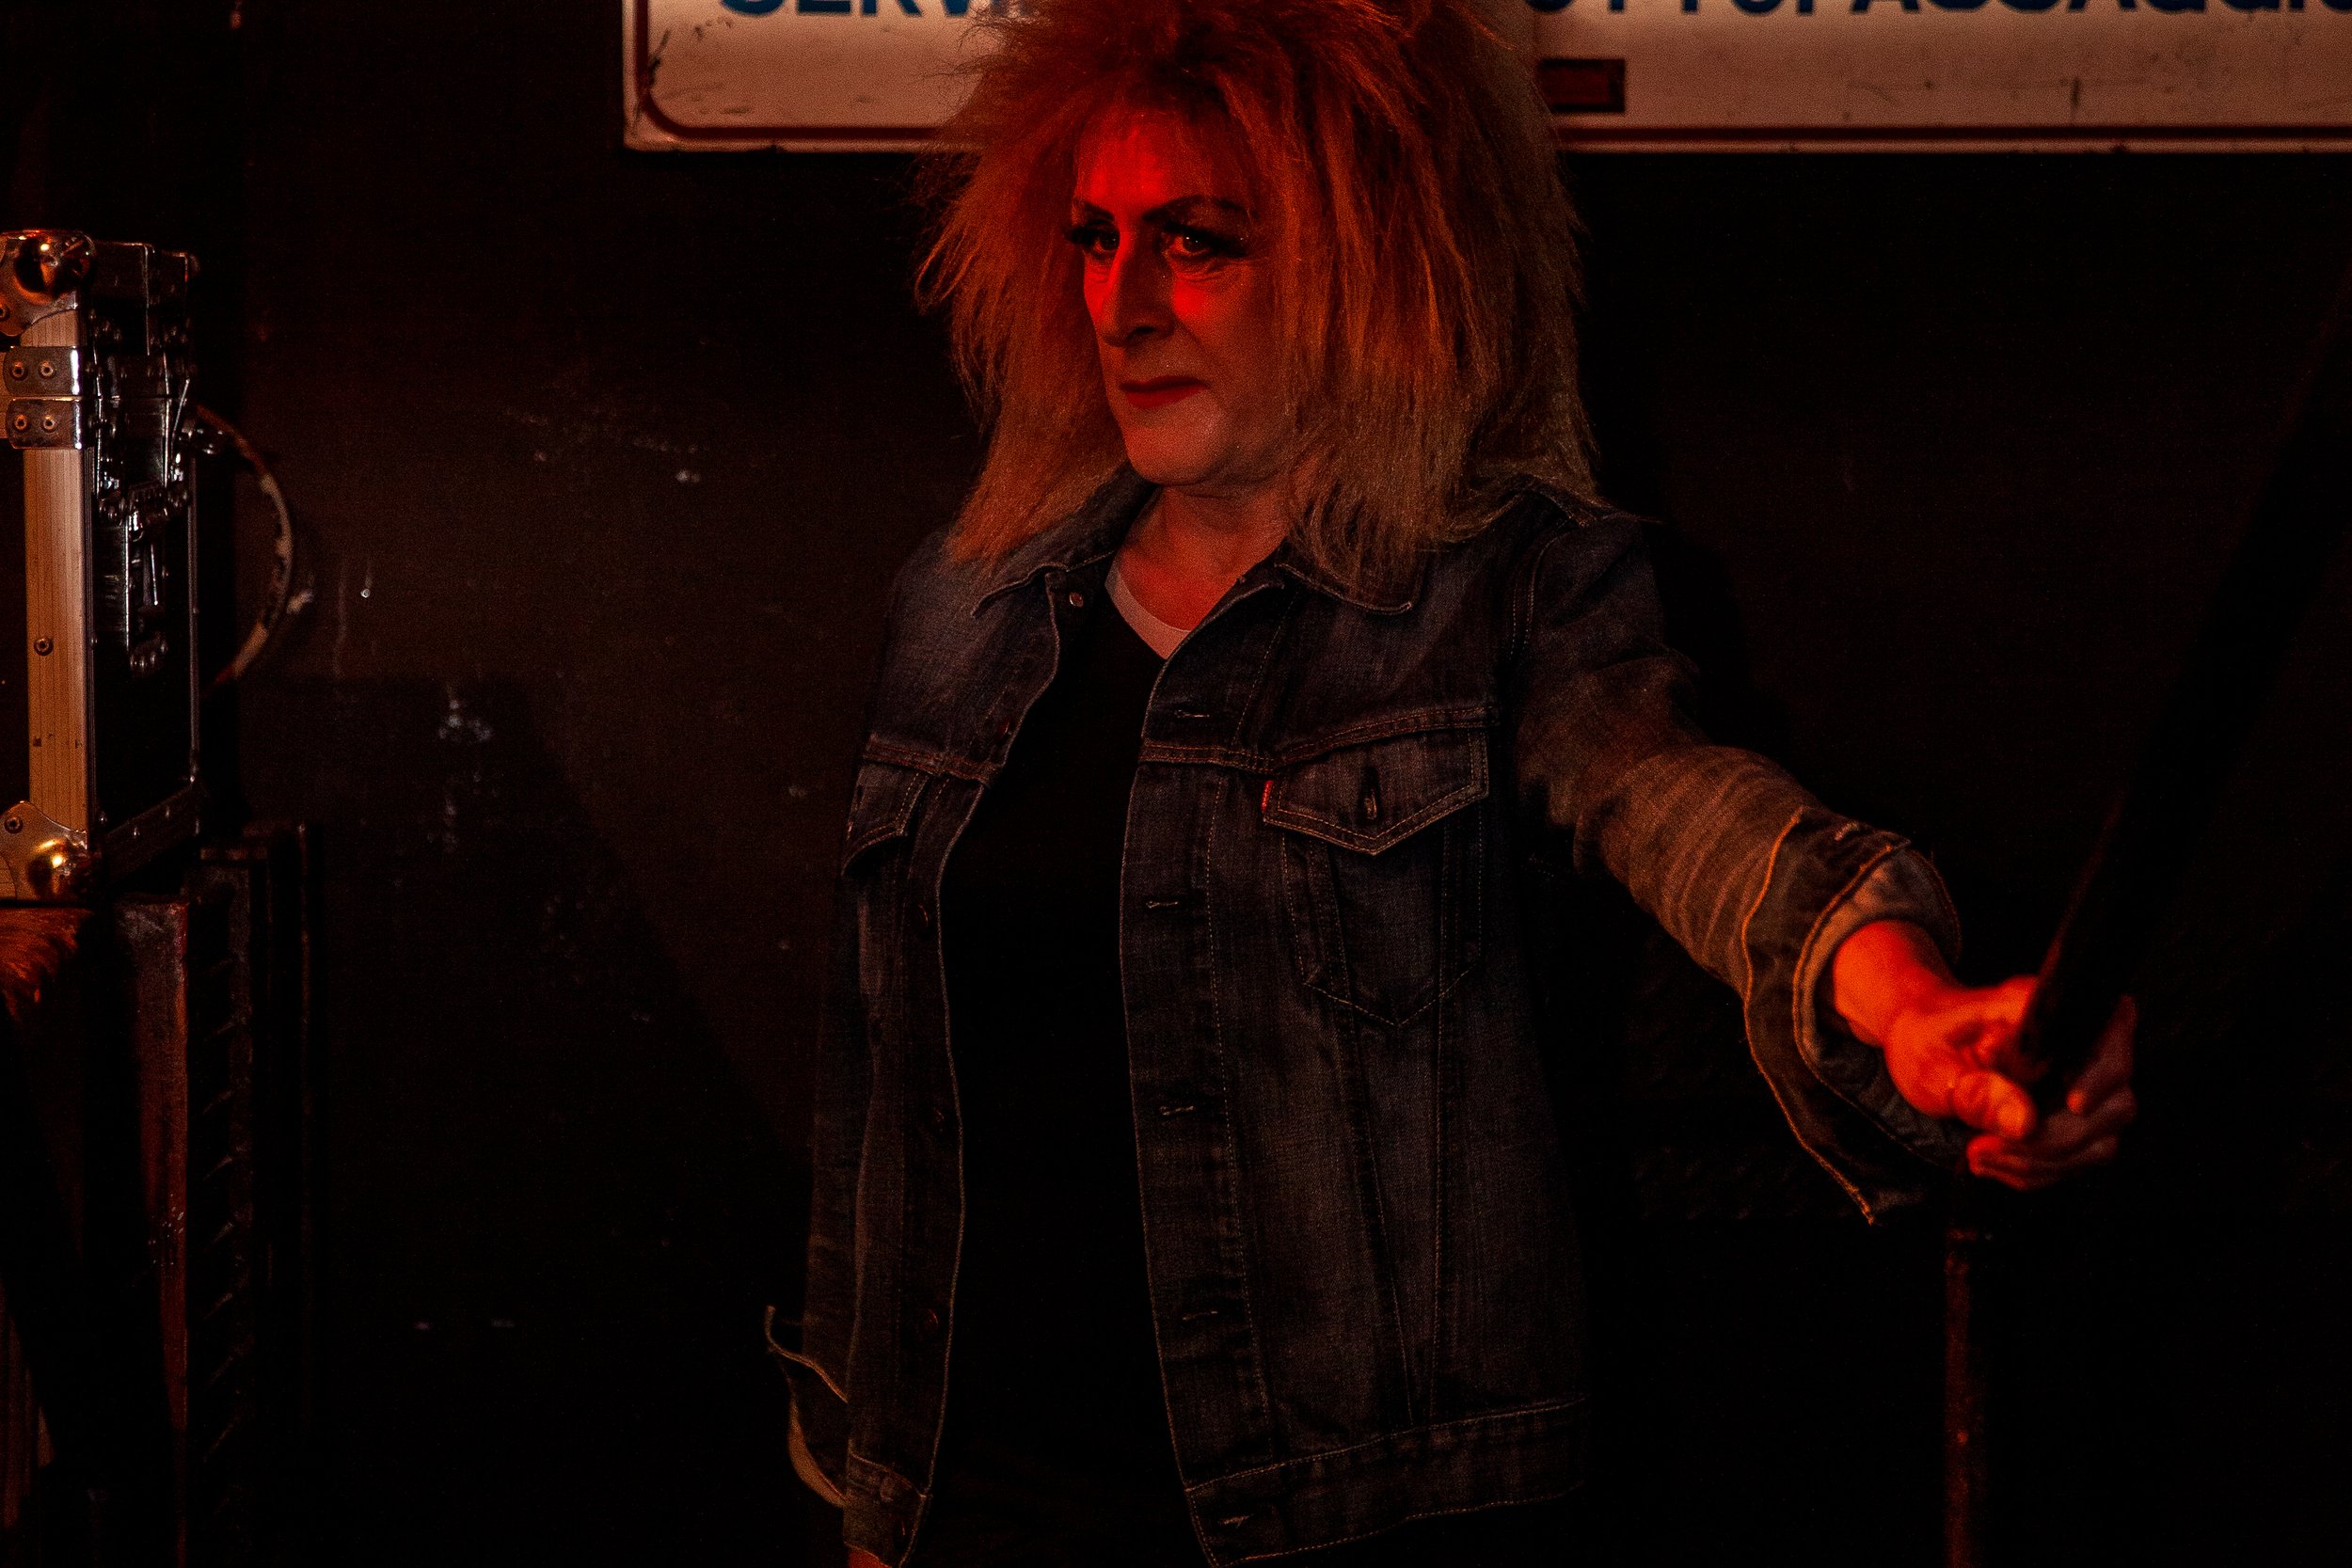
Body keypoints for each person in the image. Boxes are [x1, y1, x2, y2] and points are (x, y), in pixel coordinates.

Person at [771, 2, 2137, 1563]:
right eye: (1094, 239)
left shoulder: (1508, 598)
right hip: (987, 1514)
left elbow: (1683, 806)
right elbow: (877, 1103)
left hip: (1366, 1522)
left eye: (1198, 241)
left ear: (1369, 264)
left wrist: (1904, 997)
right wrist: (871, 1503)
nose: (1124, 305)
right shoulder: (968, 608)